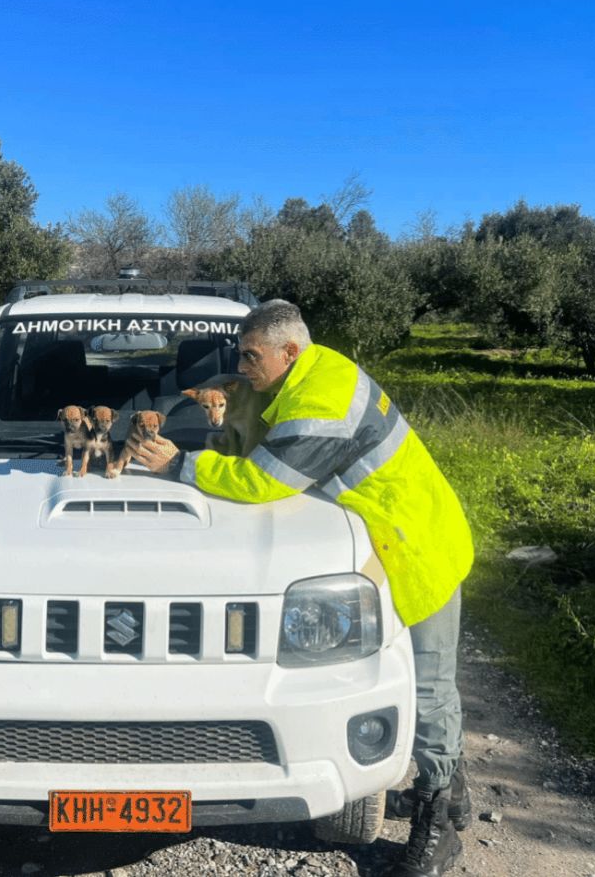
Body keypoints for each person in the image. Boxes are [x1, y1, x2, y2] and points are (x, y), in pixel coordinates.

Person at [134, 300, 474, 877]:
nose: (242, 366)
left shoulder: (324, 398)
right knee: (424, 681)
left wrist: (178, 466)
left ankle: (439, 818)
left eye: (250, 356)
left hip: (416, 541)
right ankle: (452, 791)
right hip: (385, 535)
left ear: (289, 352)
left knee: (430, 684)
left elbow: (265, 478)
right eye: (238, 355)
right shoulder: (308, 372)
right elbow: (250, 412)